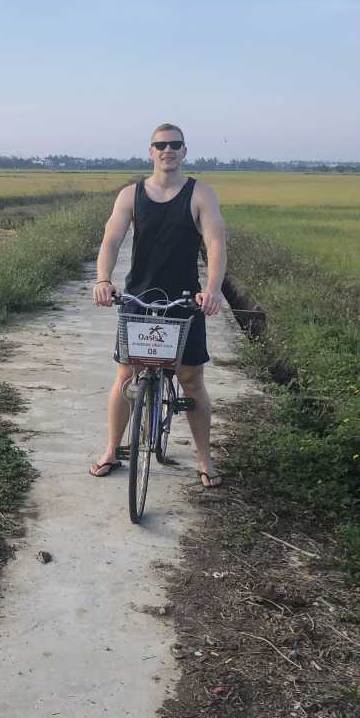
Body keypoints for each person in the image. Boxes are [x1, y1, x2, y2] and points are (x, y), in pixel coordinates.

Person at [89, 123, 227, 487]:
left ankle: (203, 457)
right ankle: (111, 450)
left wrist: (211, 289)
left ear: (184, 151)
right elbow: (111, 240)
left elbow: (215, 244)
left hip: (185, 301)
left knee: (191, 380)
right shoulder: (131, 195)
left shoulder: (200, 194)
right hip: (139, 297)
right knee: (126, 376)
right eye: (160, 145)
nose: (168, 150)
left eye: (175, 145)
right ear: (150, 151)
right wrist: (104, 279)